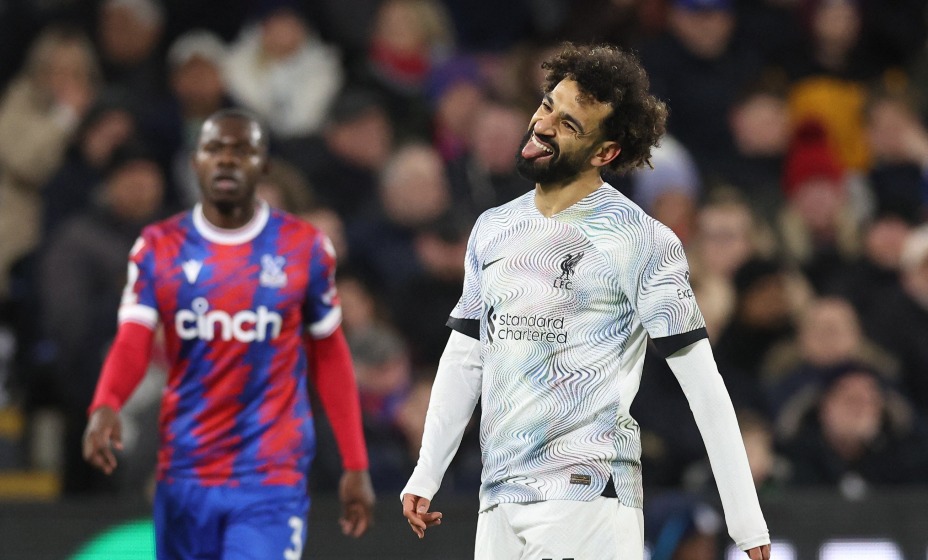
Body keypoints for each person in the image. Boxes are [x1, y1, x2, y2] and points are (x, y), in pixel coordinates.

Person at [400, 43, 771, 560]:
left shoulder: (642, 241)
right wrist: (427, 471)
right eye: (547, 105)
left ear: (605, 153)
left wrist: (746, 521)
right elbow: (465, 357)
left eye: (569, 124)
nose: (543, 125)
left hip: (589, 499)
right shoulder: (493, 228)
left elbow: (705, 388)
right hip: (499, 498)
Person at [82, 109, 375, 558]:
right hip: (186, 471)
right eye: (214, 149)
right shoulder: (159, 246)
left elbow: (330, 357)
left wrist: (355, 463)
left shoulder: (304, 248)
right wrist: (106, 404)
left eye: (242, 150)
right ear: (195, 162)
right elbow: (133, 340)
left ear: (264, 165)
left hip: (270, 473)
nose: (226, 160)